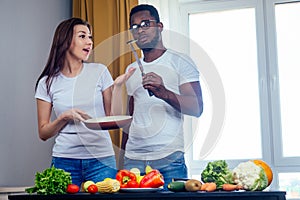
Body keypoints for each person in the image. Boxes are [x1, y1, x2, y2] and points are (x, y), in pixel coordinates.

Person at [34, 17, 134, 187]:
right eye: (82, 36)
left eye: (90, 37)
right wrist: (63, 118)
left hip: (100, 160)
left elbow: (113, 118)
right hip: (64, 161)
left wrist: (117, 87)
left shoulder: (100, 71)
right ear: (65, 41)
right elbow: (43, 133)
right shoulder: (47, 82)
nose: (89, 42)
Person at [122, 4, 204, 189]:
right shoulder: (131, 70)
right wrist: (123, 155)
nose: (140, 30)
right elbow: (131, 115)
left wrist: (164, 92)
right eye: (134, 27)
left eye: (145, 23)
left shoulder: (180, 61)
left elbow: (197, 108)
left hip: (169, 159)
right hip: (133, 159)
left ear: (159, 26)